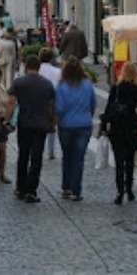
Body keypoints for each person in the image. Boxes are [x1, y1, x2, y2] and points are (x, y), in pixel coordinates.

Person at [5, 56, 56, 203]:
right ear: (39, 67)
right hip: (41, 125)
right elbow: (51, 107)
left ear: (26, 66)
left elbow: (11, 102)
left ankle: (20, 188)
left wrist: (7, 121)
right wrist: (53, 122)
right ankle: (31, 191)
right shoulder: (47, 84)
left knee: (23, 155)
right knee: (36, 158)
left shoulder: (19, 82)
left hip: (24, 123)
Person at [100, 63, 137, 205]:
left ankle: (119, 191)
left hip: (116, 129)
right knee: (129, 160)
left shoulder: (115, 89)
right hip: (131, 128)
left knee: (119, 161)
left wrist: (103, 127)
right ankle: (129, 189)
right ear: (135, 74)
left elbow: (108, 109)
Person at [55, 57, 96, 202]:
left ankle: (66, 187)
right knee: (78, 159)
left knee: (67, 156)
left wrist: (57, 120)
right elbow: (93, 104)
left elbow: (59, 108)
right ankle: (76, 190)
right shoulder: (87, 85)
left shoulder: (62, 86)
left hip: (66, 125)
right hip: (84, 125)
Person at [39, 48, 62, 160]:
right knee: (52, 126)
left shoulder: (37, 70)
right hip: (52, 100)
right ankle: (51, 151)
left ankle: (39, 148)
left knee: (39, 125)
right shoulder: (57, 71)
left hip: (39, 100)